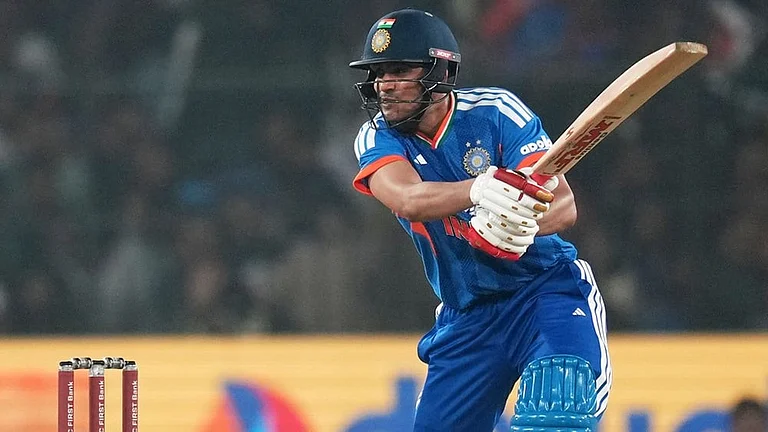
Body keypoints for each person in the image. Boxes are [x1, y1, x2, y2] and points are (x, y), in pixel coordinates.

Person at [348, 8, 611, 432]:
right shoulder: (376, 136)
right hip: (466, 315)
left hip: (543, 291)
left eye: (398, 70)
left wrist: (521, 222)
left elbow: (563, 204)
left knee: (558, 408)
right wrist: (477, 191)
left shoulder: (496, 112)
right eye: (378, 74)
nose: (384, 85)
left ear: (439, 70)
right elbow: (407, 198)